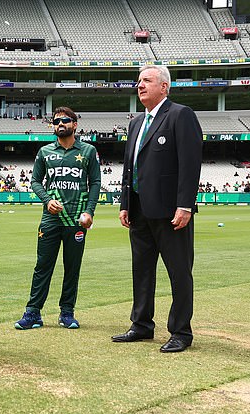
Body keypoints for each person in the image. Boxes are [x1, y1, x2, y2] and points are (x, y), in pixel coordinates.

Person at [112, 65, 202, 353]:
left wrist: (185, 205)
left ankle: (180, 331)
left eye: (147, 81)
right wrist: (125, 203)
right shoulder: (136, 122)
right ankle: (141, 325)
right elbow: (130, 167)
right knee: (142, 270)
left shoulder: (180, 115)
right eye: (139, 81)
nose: (140, 85)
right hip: (138, 209)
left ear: (164, 86)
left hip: (170, 212)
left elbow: (190, 163)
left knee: (178, 271)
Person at [14, 107, 101, 330]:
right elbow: (35, 181)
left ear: (75, 125)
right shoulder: (44, 152)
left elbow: (95, 183)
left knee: (72, 268)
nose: (59, 124)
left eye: (64, 120)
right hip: (50, 220)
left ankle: (67, 313)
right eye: (56, 121)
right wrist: (46, 200)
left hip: (76, 220)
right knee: (43, 266)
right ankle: (33, 313)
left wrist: (90, 211)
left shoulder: (88, 151)